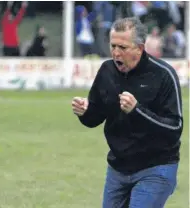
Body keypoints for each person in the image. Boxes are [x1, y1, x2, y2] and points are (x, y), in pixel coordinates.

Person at [71, 17, 183, 208]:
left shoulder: (163, 75)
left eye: (123, 47)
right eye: (113, 46)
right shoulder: (106, 71)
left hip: (156, 167)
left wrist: (136, 111)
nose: (116, 53)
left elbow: (174, 128)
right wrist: (85, 111)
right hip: (118, 168)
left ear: (139, 48)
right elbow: (94, 118)